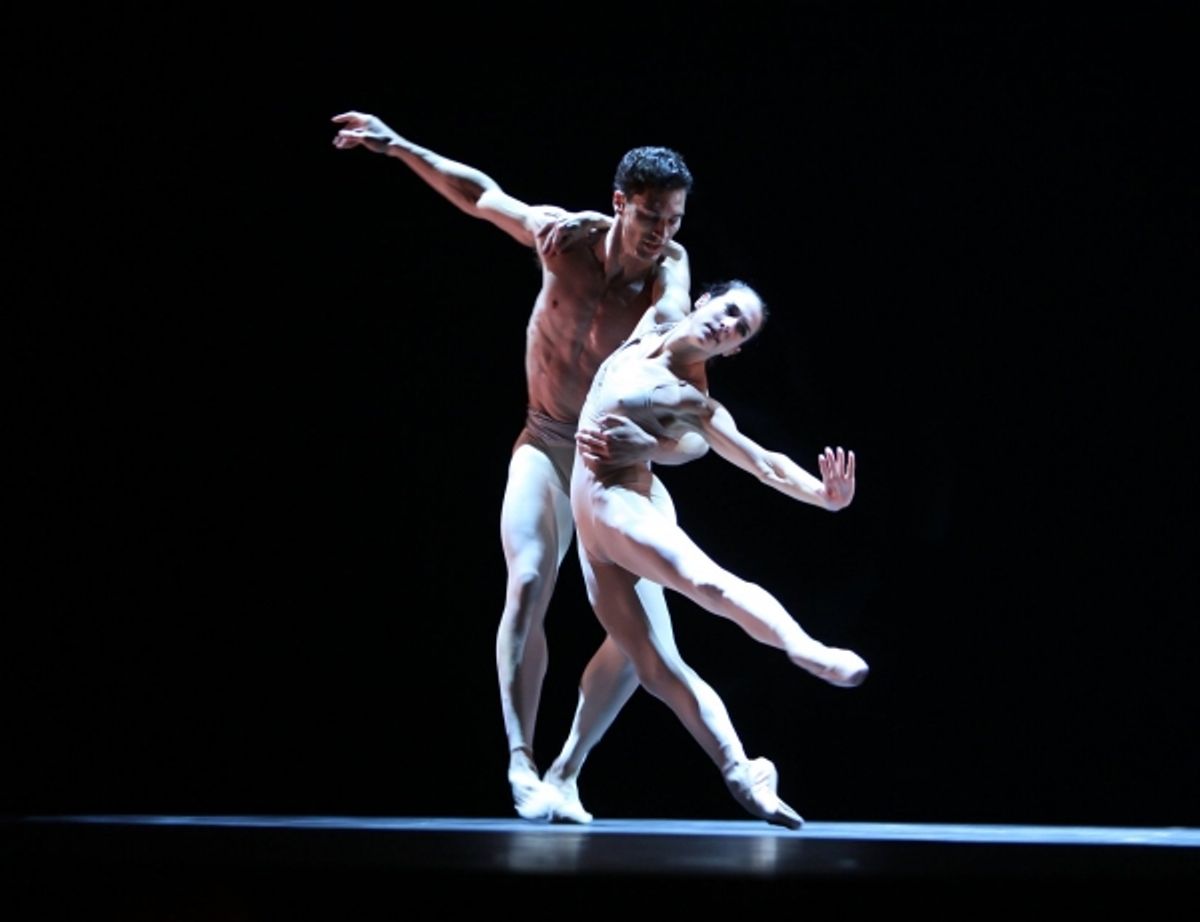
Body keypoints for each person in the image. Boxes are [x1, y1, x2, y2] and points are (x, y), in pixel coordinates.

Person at [332, 111, 700, 821]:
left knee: (644, 636)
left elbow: (674, 313)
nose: (663, 233)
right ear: (619, 203)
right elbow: (481, 196)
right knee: (529, 579)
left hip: (613, 465)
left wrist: (663, 331)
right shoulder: (562, 239)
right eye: (651, 216)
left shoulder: (667, 277)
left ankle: (568, 769)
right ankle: (521, 761)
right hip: (544, 440)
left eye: (675, 219)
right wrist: (401, 145)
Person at [539, 279, 869, 829]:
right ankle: (569, 775)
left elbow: (763, 463)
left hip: (625, 506)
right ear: (705, 300)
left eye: (740, 330)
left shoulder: (694, 400)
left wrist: (822, 495)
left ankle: (805, 649)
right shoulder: (652, 323)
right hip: (591, 524)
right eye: (729, 311)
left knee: (705, 581)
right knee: (650, 666)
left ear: (732, 350)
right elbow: (664, 247)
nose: (728, 325)